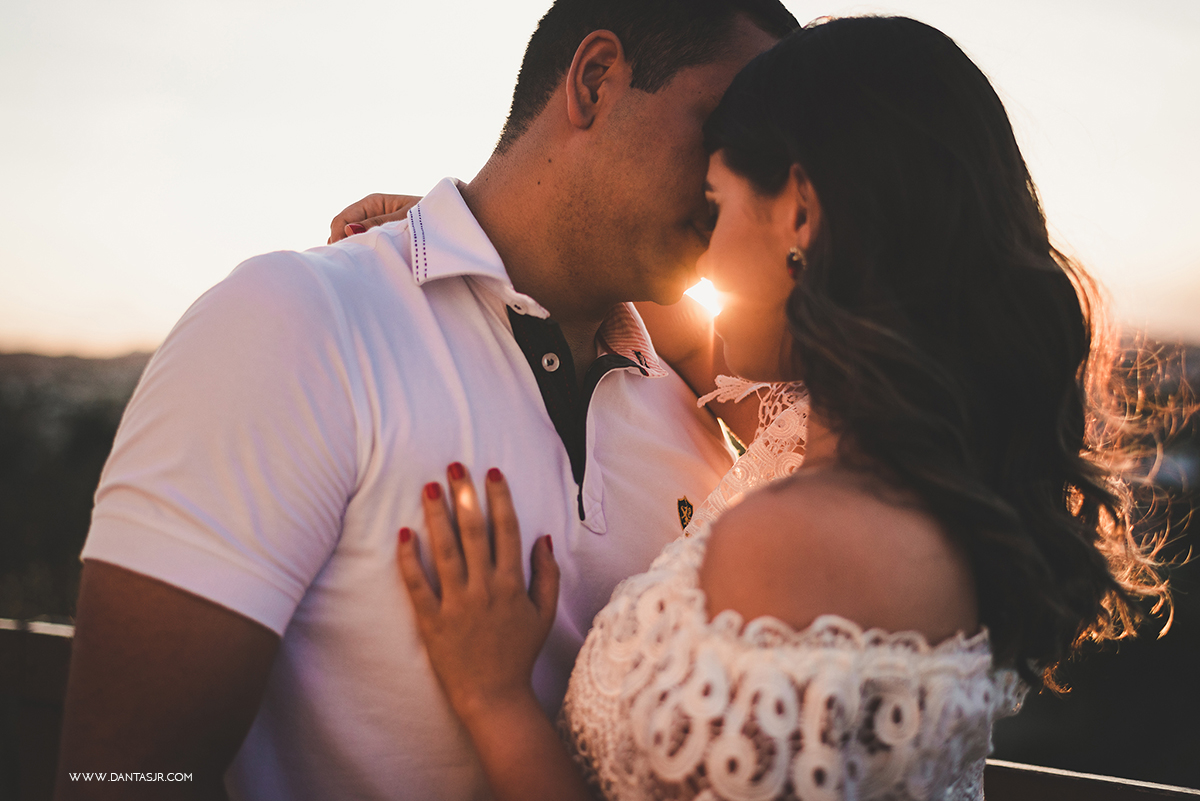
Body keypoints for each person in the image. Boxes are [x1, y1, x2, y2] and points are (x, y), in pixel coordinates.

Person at [388, 16, 1170, 801]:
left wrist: (494, 699)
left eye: (717, 204)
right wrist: (478, 239)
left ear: (800, 213)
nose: (705, 253)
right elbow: (694, 343)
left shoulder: (797, 541)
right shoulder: (883, 452)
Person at [55, 2, 801, 799]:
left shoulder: (707, 399)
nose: (738, 185)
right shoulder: (295, 323)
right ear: (594, 81)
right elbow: (118, 776)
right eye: (723, 130)